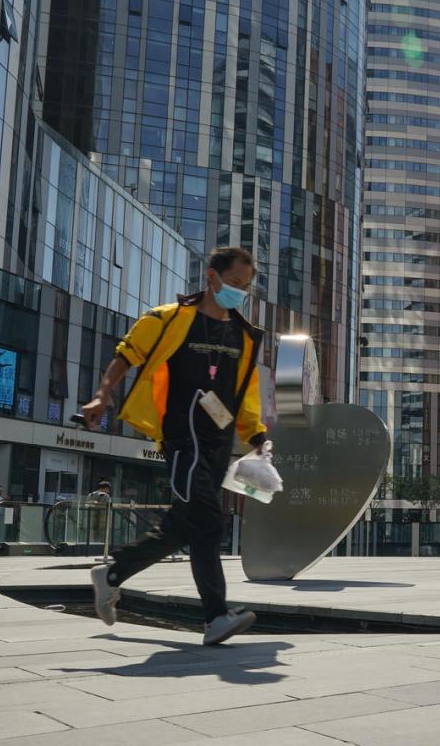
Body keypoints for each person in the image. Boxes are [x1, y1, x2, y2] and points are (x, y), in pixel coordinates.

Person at [80, 246, 268, 646]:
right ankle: (215, 617)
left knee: (182, 526)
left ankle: (112, 575)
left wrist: (257, 434)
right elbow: (125, 355)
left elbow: (244, 391)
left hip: (218, 441)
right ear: (212, 278)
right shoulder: (168, 320)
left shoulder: (243, 335)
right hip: (183, 438)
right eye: (235, 283)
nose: (240, 292)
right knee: (207, 522)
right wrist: (102, 395)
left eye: (246, 286)